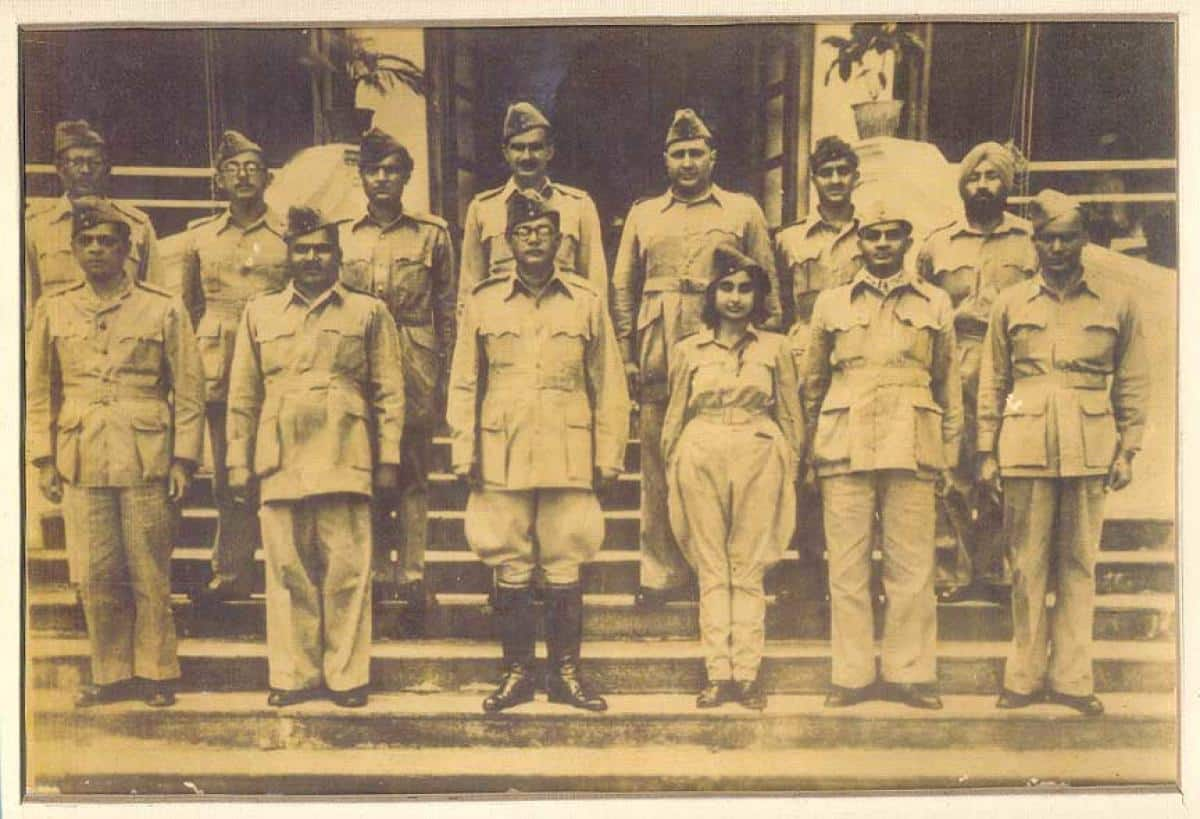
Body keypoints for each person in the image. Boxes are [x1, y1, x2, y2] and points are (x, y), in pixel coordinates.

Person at [447, 192, 629, 713]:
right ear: (508, 241)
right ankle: (517, 672)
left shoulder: (586, 300)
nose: (533, 240)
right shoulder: (482, 301)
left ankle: (566, 674)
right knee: (509, 560)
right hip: (500, 448)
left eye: (543, 231)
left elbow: (609, 383)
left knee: (566, 559)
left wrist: (609, 453)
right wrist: (464, 449)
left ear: (558, 239)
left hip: (569, 448)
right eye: (523, 232)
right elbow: (464, 381)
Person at [27, 198, 205, 708]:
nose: (98, 249)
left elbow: (188, 390)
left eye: (108, 241)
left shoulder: (162, 307)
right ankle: (109, 674)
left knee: (149, 569)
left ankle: (156, 674)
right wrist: (42, 459)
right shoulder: (53, 308)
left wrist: (184, 461)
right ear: (74, 249)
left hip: (146, 454)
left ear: (128, 251)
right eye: (88, 241)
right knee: (93, 571)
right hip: (81, 456)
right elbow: (38, 391)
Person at [225, 206, 405, 709]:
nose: (311, 257)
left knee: (347, 570)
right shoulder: (259, 313)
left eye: (321, 248)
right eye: (302, 248)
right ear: (288, 253)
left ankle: (346, 676)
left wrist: (388, 455)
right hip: (280, 454)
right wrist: (238, 458)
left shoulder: (368, 312)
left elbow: (389, 390)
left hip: (344, 450)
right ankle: (294, 674)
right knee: (287, 571)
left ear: (338, 255)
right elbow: (242, 394)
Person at [978, 189, 1148, 717]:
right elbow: (992, 380)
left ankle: (1074, 678)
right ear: (1034, 242)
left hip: (1090, 446)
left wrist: (1129, 449)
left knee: (1078, 563)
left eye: (1067, 237)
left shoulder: (1117, 302)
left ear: (1084, 241)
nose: (1057, 247)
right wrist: (986, 450)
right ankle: (1023, 677)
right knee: (1027, 565)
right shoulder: (1010, 303)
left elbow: (1134, 382)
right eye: (1047, 238)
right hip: (1025, 443)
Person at [612, 108, 781, 608]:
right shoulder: (644, 214)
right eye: (678, 154)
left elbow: (766, 286)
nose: (687, 162)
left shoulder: (742, 210)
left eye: (696, 153)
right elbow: (623, 288)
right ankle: (661, 572)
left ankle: (729, 571)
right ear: (666, 160)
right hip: (660, 347)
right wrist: (627, 353)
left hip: (725, 347)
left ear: (713, 157)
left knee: (732, 461)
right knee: (661, 460)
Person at [804, 201, 961, 711]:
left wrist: (949, 454)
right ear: (859, 242)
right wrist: (808, 450)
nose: (882, 245)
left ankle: (908, 672)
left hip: (911, 440)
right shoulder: (830, 303)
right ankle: (850, 675)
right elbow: (812, 384)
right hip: (844, 439)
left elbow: (948, 384)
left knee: (912, 567)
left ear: (907, 241)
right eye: (873, 236)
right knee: (846, 568)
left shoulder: (935, 303)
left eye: (893, 235)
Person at [662, 244, 804, 710]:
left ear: (757, 296)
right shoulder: (688, 350)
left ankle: (746, 674)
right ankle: (716, 673)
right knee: (711, 565)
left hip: (758, 450)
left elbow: (789, 413)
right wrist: (673, 463)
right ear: (712, 294)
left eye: (746, 289)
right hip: (701, 448)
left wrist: (791, 464)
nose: (736, 298)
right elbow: (674, 415)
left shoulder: (775, 348)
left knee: (748, 566)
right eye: (726, 287)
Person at [340, 128, 457, 621]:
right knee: (363, 471)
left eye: (392, 170)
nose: (383, 179)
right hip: (358, 361)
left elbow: (447, 309)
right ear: (362, 177)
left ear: (407, 177)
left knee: (411, 473)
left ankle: (410, 574)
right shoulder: (342, 233)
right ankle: (368, 572)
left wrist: (446, 374)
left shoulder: (432, 233)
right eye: (374, 170)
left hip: (413, 357)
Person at [918, 141, 1038, 604]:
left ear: (1006, 186)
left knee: (1003, 463)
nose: (983, 186)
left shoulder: (1030, 241)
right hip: (957, 358)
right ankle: (956, 570)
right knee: (952, 464)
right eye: (975, 178)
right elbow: (923, 306)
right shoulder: (938, 243)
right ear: (963, 185)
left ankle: (996, 569)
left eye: (992, 178)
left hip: (1012, 364)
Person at [182, 130, 289, 608]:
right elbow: (187, 308)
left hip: (276, 358)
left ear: (268, 177)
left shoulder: (288, 234)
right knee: (230, 473)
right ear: (219, 179)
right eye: (233, 169)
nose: (243, 176)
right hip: (220, 364)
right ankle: (231, 569)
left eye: (252, 168)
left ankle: (285, 571)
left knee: (281, 467)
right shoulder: (199, 236)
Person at [773, 135, 864, 600]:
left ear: (855, 177)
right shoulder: (789, 239)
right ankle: (807, 562)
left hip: (853, 360)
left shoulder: (873, 235)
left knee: (846, 461)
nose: (834, 181)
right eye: (825, 173)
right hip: (801, 356)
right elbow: (774, 305)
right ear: (813, 180)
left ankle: (847, 567)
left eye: (842, 172)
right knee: (803, 455)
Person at [458, 101, 607, 302]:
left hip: (563, 324)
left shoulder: (578, 205)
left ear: (550, 151)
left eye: (536, 147)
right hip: (503, 325)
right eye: (518, 148)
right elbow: (469, 291)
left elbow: (596, 285)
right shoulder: (483, 208)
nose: (527, 156)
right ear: (506, 153)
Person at [25, 120, 163, 316]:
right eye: (76, 162)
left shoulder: (136, 224)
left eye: (94, 163)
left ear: (108, 169)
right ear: (59, 168)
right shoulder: (35, 226)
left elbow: (156, 297)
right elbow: (28, 304)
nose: (85, 171)